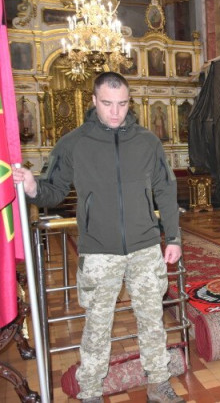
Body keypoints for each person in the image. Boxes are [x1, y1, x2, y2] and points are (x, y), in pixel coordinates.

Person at [12, 72, 184, 403]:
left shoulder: (147, 141)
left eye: (122, 104)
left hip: (145, 247)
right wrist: (33, 187)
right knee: (97, 327)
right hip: (99, 251)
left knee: (152, 321)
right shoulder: (73, 143)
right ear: (93, 101)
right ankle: (90, 391)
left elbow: (165, 188)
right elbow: (54, 190)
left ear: (129, 102)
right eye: (107, 104)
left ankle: (158, 383)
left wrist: (173, 237)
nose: (115, 112)